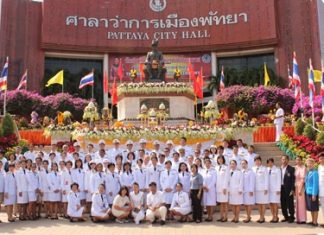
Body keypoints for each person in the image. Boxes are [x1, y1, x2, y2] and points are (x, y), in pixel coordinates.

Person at [252, 156, 269, 223]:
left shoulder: (264, 169)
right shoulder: (253, 169)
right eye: (256, 161)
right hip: (256, 189)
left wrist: (266, 188)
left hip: (262, 189)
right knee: (259, 204)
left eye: (258, 160)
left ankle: (262, 217)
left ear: (261, 161)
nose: (257, 162)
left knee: (263, 204)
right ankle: (261, 216)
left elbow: (266, 179)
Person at [280, 155, 295, 223]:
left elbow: (293, 180)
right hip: (281, 188)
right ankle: (286, 216)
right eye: (283, 159)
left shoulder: (291, 169)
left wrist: (292, 189)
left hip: (289, 188)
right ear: (281, 160)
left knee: (290, 203)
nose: (284, 161)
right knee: (283, 203)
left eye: (285, 159)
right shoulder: (279, 168)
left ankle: (291, 217)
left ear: (288, 160)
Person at [305, 158, 319, 227]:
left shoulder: (315, 172)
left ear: (313, 164)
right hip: (308, 192)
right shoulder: (308, 172)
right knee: (311, 208)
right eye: (308, 163)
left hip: (313, 193)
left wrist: (314, 194)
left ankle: (315, 222)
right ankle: (313, 220)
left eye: (310, 163)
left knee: (315, 208)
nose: (309, 164)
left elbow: (315, 184)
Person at [216, 155, 229, 222]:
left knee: (225, 203)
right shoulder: (216, 167)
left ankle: (226, 217)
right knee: (221, 203)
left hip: (224, 188)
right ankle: (221, 217)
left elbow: (226, 178)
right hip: (218, 188)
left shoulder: (226, 167)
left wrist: (224, 187)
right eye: (219, 159)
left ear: (223, 159)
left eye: (221, 159)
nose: (220, 160)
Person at [267, 158, 281, 223]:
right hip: (269, 190)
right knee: (270, 204)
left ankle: (276, 216)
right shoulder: (267, 169)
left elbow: (279, 180)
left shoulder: (277, 170)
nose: (270, 163)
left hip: (275, 190)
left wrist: (278, 189)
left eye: (271, 162)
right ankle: (273, 216)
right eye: (268, 162)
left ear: (273, 162)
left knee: (275, 203)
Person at [295, 156, 307, 224]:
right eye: (297, 160)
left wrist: (300, 188)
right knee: (297, 203)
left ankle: (303, 219)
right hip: (296, 186)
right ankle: (298, 218)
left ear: (301, 160)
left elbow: (303, 179)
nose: (298, 161)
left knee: (301, 203)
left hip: (301, 186)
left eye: (299, 160)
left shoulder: (304, 168)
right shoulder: (295, 167)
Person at [318, 153, 324, 228]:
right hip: (321, 190)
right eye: (320, 159)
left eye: (322, 158)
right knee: (323, 207)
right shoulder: (319, 167)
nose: (321, 160)